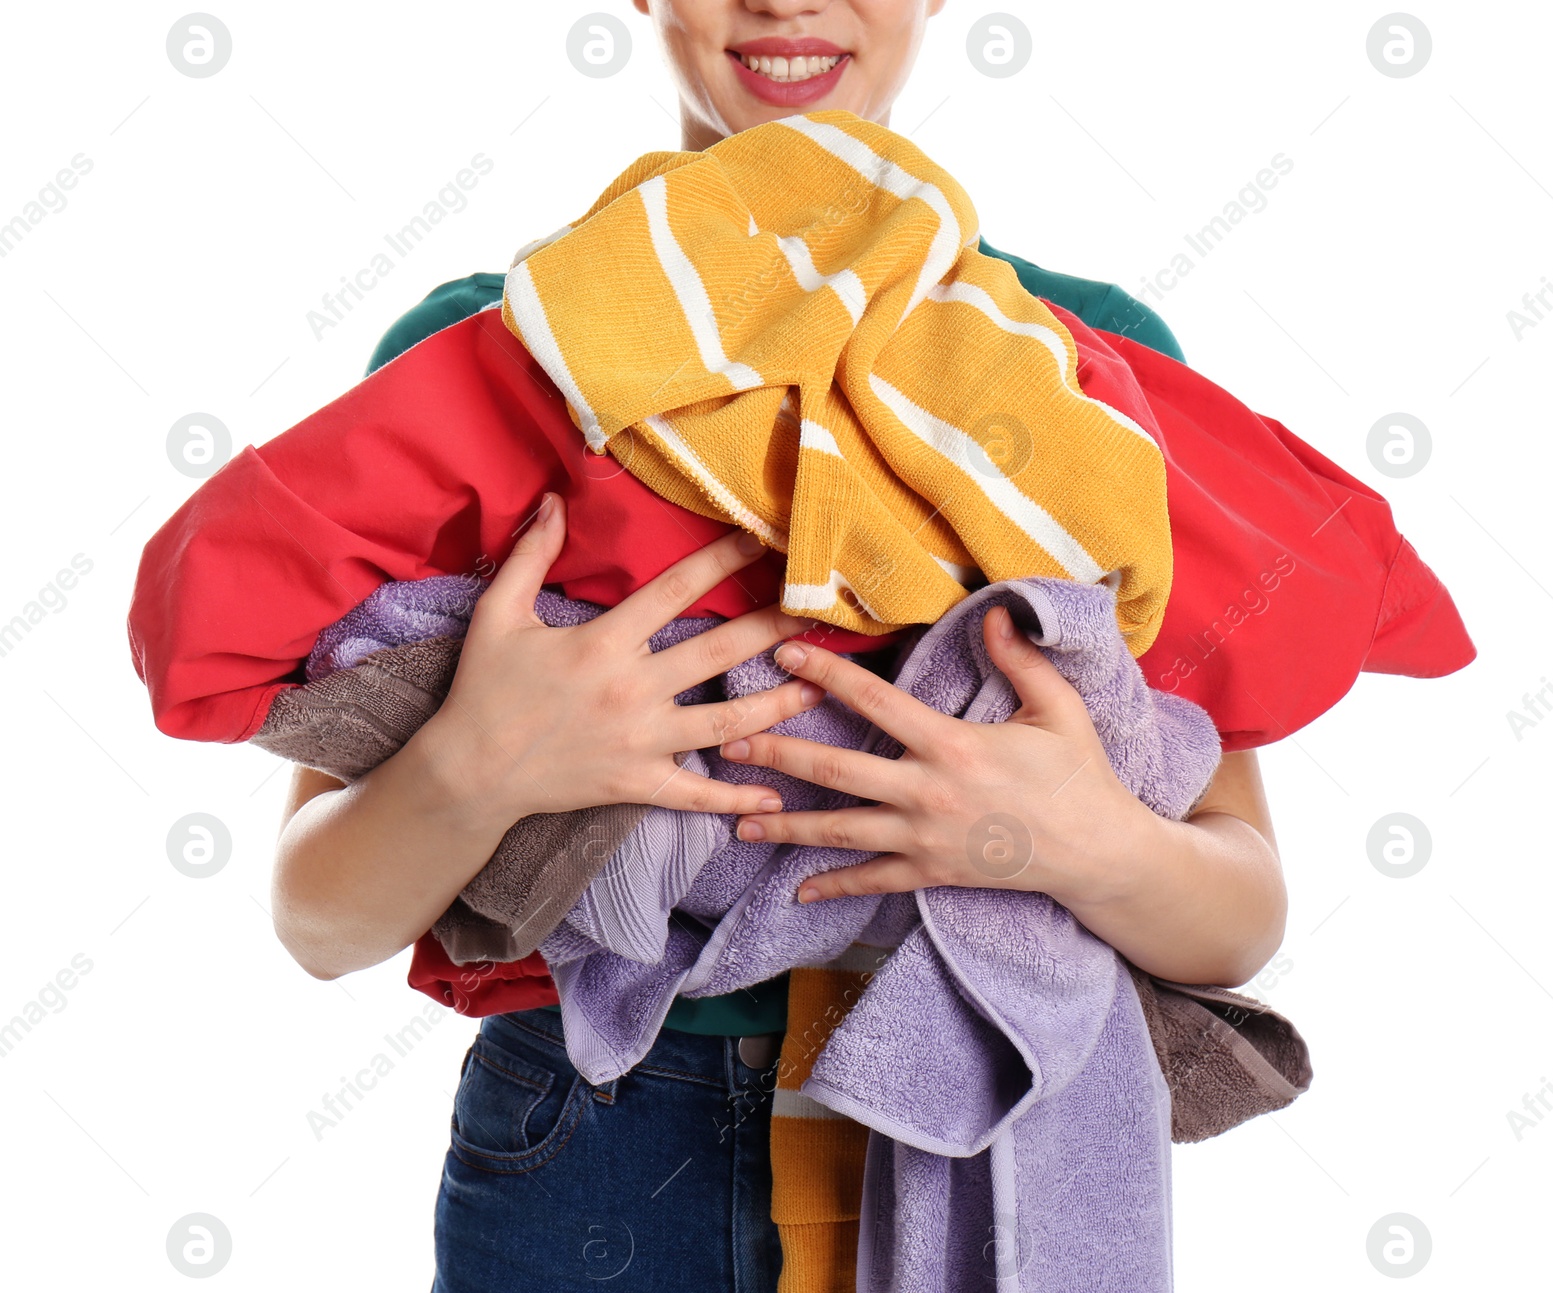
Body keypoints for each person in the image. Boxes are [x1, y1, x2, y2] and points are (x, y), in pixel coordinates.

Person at [272, 2, 1286, 1288]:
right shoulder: (484, 351)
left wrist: (1075, 841)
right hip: (594, 1131)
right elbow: (319, 920)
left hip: (995, 1113)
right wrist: (478, 763)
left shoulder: (1089, 358)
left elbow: (1238, 914)